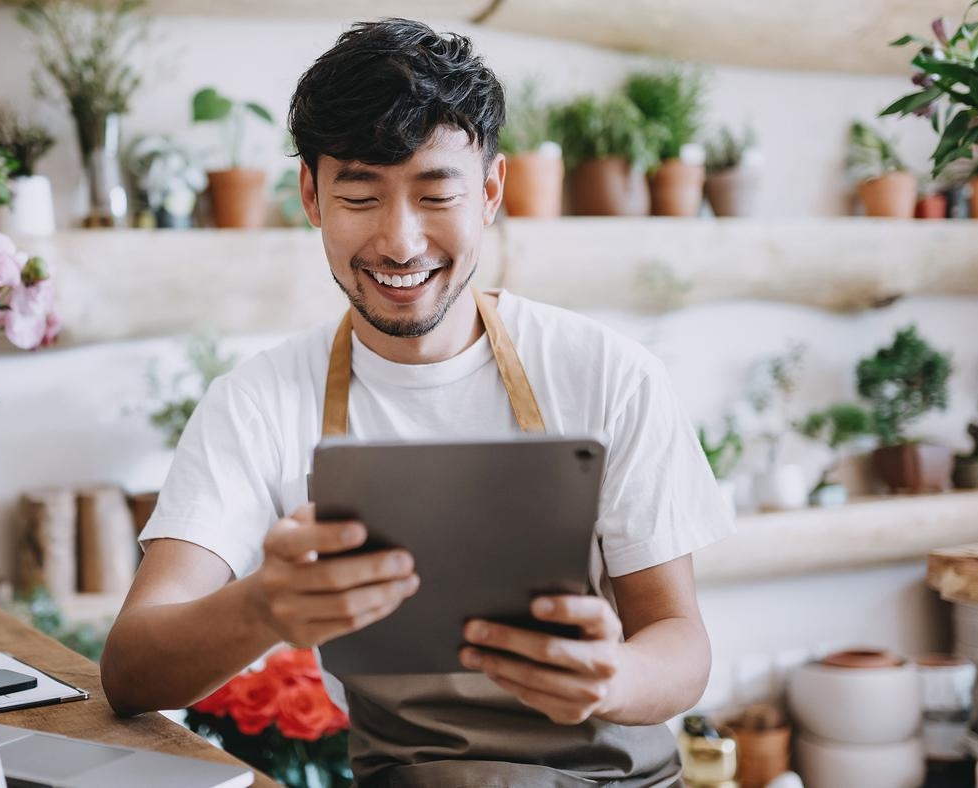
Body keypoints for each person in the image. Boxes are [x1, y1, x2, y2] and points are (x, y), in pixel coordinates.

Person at [101, 18, 734, 787]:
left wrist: (613, 679)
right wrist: (264, 606)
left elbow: (680, 642)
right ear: (311, 195)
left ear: (491, 191)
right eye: (361, 195)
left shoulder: (608, 374)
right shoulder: (258, 403)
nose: (399, 242)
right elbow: (130, 669)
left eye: (436, 193)